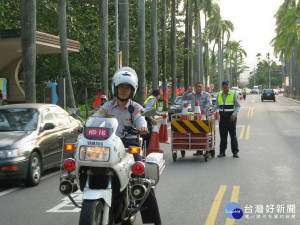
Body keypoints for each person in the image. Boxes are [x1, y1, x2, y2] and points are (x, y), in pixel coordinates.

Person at [74, 67, 161, 225]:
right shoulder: (107, 106)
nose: (123, 90)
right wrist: (82, 126)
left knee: (142, 181)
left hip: (129, 145)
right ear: (115, 88)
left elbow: (140, 119)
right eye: (121, 86)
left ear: (132, 90)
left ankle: (155, 221)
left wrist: (142, 127)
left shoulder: (135, 108)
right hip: (108, 144)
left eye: (127, 87)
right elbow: (94, 118)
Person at [211, 80, 241, 158]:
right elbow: (216, 105)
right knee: (223, 136)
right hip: (222, 118)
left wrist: (234, 114)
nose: (225, 86)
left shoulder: (234, 94)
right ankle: (222, 152)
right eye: (223, 85)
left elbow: (238, 106)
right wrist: (211, 111)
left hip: (231, 117)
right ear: (222, 86)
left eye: (226, 85)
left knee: (232, 136)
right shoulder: (220, 94)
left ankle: (235, 152)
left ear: (229, 86)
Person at [182, 82, 212, 156]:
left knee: (204, 132)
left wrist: (204, 111)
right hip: (195, 116)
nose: (199, 88)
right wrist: (187, 91)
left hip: (203, 116)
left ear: (202, 87)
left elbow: (209, 103)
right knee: (196, 132)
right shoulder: (191, 95)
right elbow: (183, 98)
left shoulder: (206, 95)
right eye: (197, 87)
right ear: (195, 87)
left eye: (200, 87)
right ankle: (199, 150)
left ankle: (207, 149)